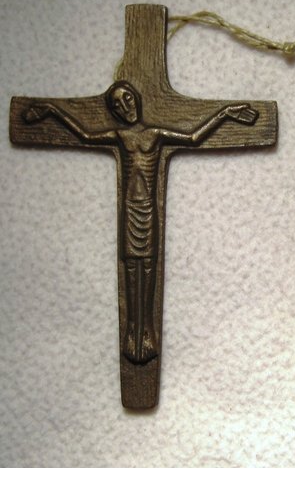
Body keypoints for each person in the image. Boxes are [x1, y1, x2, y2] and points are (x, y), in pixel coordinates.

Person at [24, 80, 258, 363]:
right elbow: (84, 134)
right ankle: (131, 331)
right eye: (117, 105)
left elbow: (194, 136)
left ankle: (146, 331)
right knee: (131, 268)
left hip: (148, 210)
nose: (125, 107)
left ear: (136, 99)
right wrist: (51, 111)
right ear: (115, 112)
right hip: (129, 209)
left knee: (148, 266)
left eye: (128, 99)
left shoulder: (156, 134)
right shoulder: (119, 136)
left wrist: (225, 114)